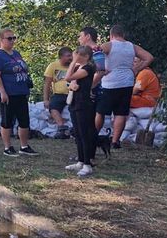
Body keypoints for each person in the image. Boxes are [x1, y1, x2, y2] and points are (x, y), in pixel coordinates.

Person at [97, 24, 154, 148]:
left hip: (110, 83)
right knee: (121, 113)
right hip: (127, 82)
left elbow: (95, 54)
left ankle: (94, 135)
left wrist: (101, 69)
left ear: (111, 35)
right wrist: (135, 69)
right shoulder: (131, 46)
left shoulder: (108, 45)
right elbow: (149, 57)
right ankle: (116, 141)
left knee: (100, 112)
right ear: (123, 35)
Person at [0, 29, 39, 157]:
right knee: (7, 121)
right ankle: (8, 147)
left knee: (24, 120)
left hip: (21, 91)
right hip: (8, 93)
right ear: (1, 40)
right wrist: (2, 92)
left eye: (14, 38)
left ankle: (24, 146)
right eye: (9, 38)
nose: (12, 41)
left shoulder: (16, 53)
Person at [64, 46, 98, 177]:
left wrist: (73, 62)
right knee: (77, 133)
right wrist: (72, 85)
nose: (74, 57)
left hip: (84, 104)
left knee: (85, 134)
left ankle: (87, 164)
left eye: (77, 55)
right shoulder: (79, 68)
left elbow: (68, 77)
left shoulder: (88, 68)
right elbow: (71, 82)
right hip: (75, 102)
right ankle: (81, 160)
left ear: (85, 57)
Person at [43, 47, 73, 137]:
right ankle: (62, 128)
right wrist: (46, 99)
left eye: (71, 55)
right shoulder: (53, 66)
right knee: (53, 107)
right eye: (68, 56)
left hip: (73, 93)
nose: (70, 58)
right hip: (59, 94)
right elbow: (47, 84)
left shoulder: (75, 65)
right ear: (61, 57)